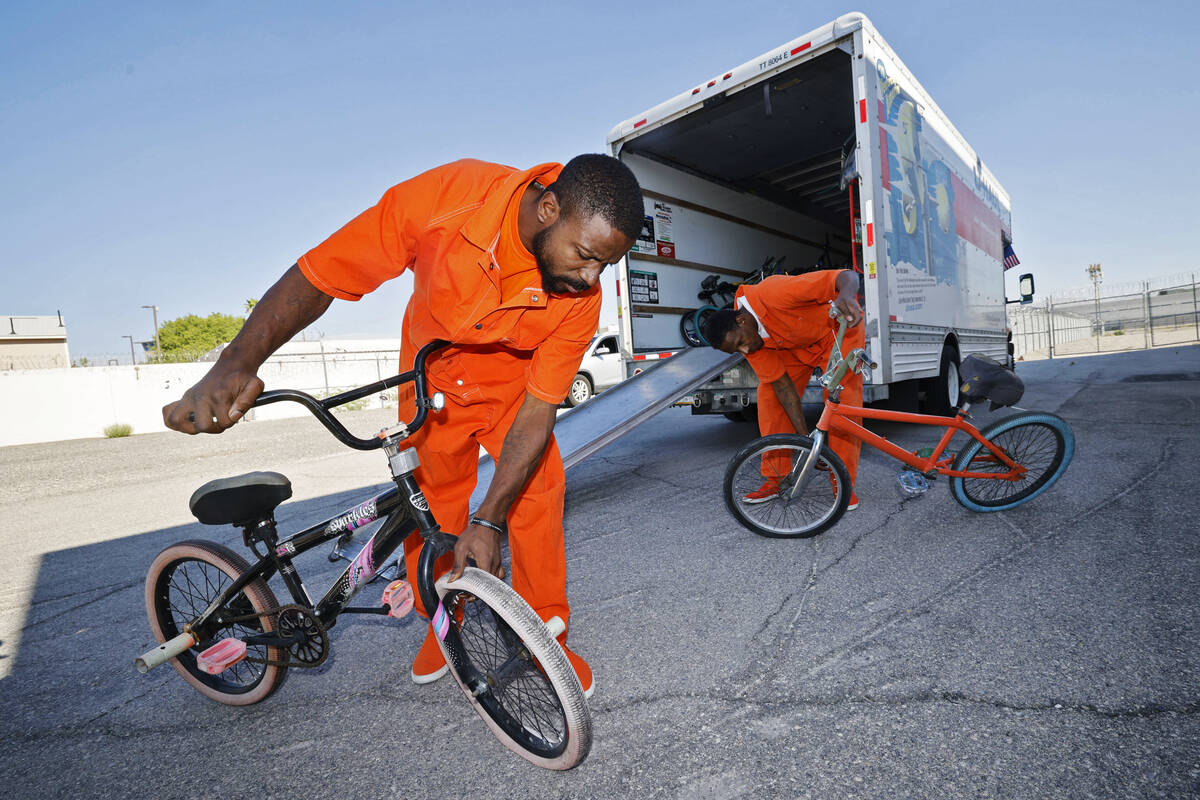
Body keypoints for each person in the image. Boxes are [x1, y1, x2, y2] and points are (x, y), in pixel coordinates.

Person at [162, 155, 644, 697]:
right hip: (431, 376)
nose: (590, 278)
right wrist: (236, 363)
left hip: (515, 388)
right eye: (584, 256)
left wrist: (488, 522)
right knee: (432, 504)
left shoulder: (581, 296)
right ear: (548, 208)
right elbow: (325, 273)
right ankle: (445, 622)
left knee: (537, 492)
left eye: (604, 265)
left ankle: (541, 632)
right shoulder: (448, 198)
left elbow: (538, 411)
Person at [700, 269, 865, 509]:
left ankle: (844, 484)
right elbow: (783, 387)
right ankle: (775, 478)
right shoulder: (750, 340)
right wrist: (807, 444)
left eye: (740, 344)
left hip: (836, 332)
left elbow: (845, 276)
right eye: (738, 351)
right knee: (771, 399)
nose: (745, 352)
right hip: (794, 347)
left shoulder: (775, 292)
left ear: (742, 320)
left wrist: (847, 296)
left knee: (842, 402)